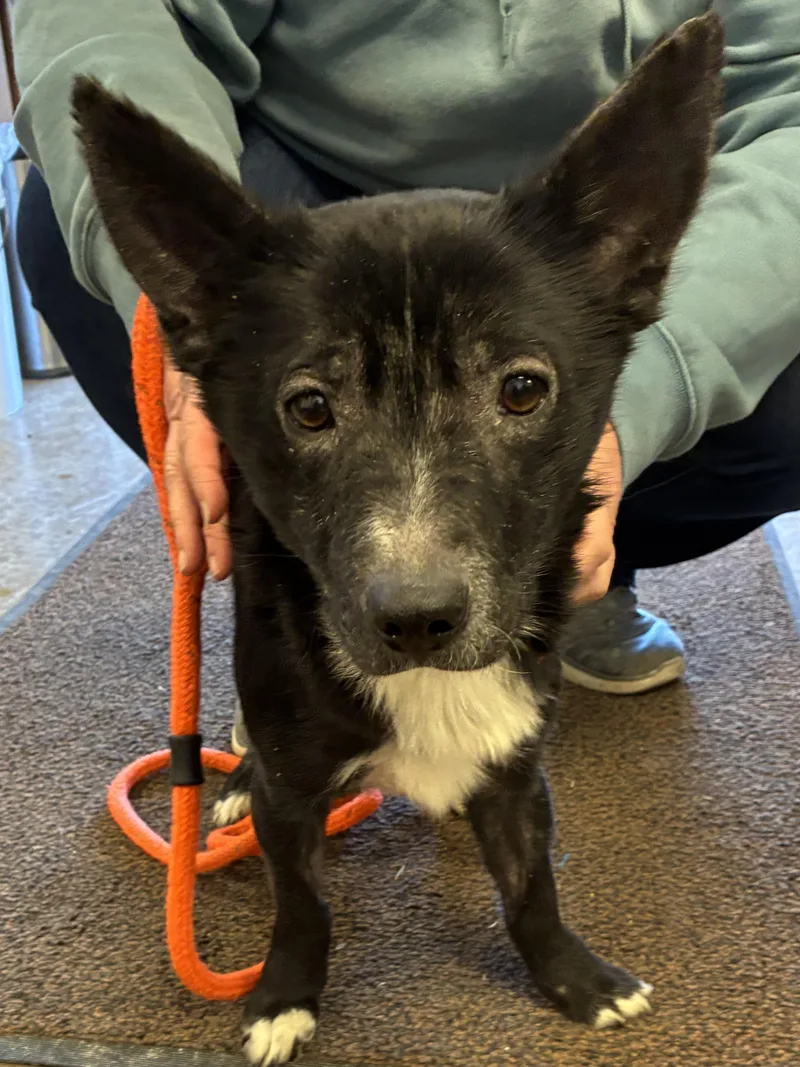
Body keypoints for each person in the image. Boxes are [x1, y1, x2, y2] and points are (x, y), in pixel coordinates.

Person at [12, 2, 800, 717]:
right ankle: (296, 606)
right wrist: (223, 318)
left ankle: (562, 574)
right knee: (62, 226)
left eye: (521, 393)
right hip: (301, 184)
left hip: (563, 231)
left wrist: (640, 379)